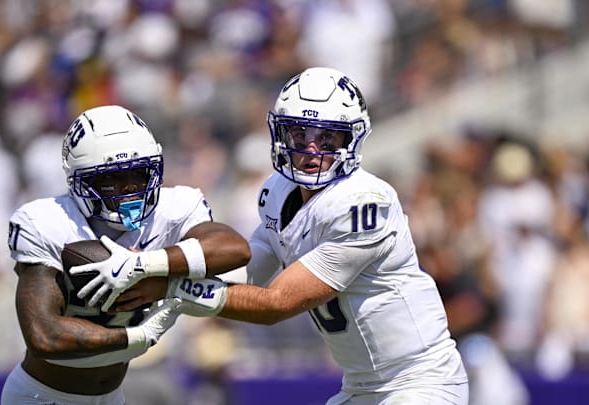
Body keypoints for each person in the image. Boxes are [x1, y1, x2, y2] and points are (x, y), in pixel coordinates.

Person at [115, 67, 470, 404]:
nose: (311, 149)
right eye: (300, 134)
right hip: (362, 385)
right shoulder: (277, 192)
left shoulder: (364, 203)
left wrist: (174, 288)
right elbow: (248, 271)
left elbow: (276, 303)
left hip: (419, 379)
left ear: (353, 138)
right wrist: (163, 267)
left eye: (327, 137)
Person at [0, 105, 251, 405]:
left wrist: (143, 264)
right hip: (44, 397)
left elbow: (234, 249)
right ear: (80, 181)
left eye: (139, 174)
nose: (130, 190)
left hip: (112, 396)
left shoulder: (172, 209)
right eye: (112, 179)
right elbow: (44, 336)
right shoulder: (48, 222)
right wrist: (138, 338)